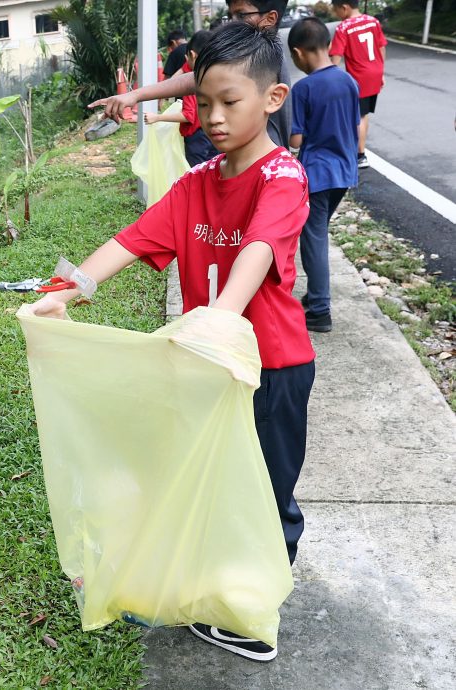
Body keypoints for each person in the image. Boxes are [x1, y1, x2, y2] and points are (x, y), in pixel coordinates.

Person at [30, 22, 315, 662]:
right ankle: (210, 581)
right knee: (202, 475)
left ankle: (254, 606)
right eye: (203, 103)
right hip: (203, 361)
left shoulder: (283, 179)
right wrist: (66, 289)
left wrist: (219, 320)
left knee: (266, 487)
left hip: (268, 366)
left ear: (271, 100)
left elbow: (257, 250)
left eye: (229, 102)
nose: (212, 117)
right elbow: (131, 241)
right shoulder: (194, 183)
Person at [92, 0, 292, 149]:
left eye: (241, 15)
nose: (231, 23)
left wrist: (135, 95)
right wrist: (134, 95)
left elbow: (195, 79)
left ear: (270, 19)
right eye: (204, 104)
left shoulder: (258, 59)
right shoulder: (261, 57)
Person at [289, 17, 360, 333]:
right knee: (318, 232)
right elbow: (355, 127)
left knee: (313, 239)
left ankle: (319, 310)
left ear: (298, 53)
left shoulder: (303, 87)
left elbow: (296, 140)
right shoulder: (348, 82)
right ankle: (314, 295)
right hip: (345, 172)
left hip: (317, 174)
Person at [144, 30, 218, 166]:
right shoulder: (217, 73)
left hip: (197, 138)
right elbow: (178, 75)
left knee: (198, 174)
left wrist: (157, 117)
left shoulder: (191, 85)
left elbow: (188, 115)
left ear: (192, 55)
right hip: (213, 133)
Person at [329, 0, 387, 169]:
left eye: (335, 10)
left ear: (344, 7)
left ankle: (360, 155)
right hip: (375, 73)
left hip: (359, 77)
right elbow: (382, 47)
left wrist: (329, 77)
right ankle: (357, 150)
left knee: (357, 116)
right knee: (363, 114)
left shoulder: (344, 27)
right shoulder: (373, 21)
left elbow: (336, 56)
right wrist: (381, 72)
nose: (335, 14)